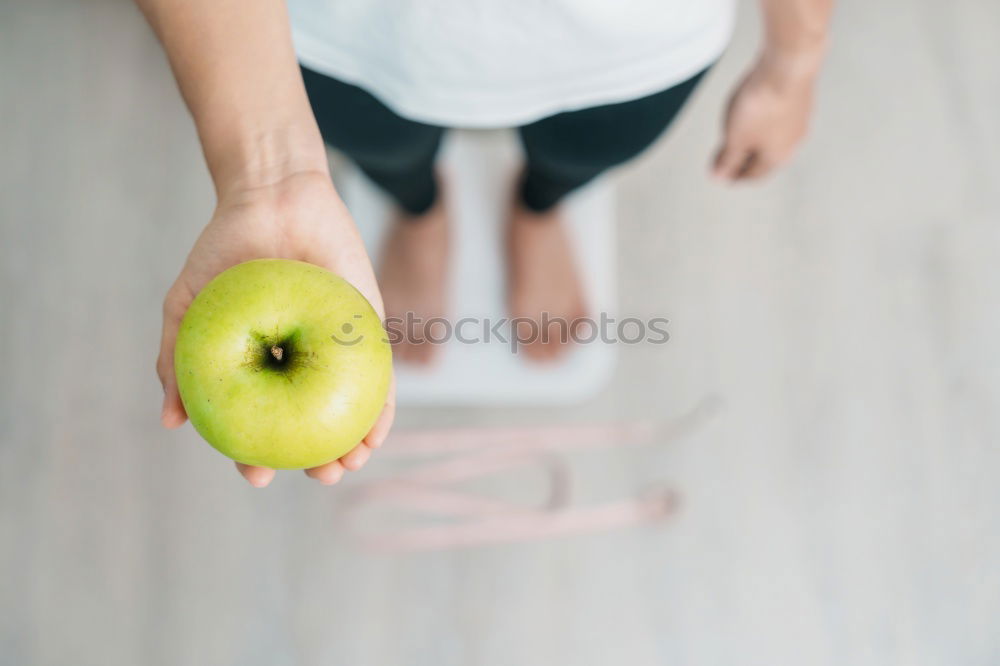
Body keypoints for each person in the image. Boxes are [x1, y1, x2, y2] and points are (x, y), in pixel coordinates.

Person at [139, 0, 832, 488]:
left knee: (584, 152)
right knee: (385, 150)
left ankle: (538, 209)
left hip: (635, 38)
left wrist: (793, 60)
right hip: (344, 30)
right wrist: (271, 178)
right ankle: (419, 211)